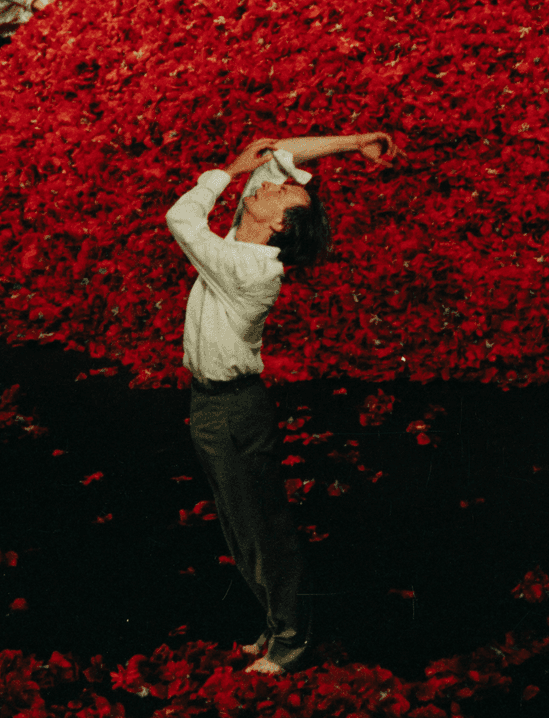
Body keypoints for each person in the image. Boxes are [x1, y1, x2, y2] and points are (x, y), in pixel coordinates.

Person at [165, 131, 397, 674]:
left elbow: (181, 218)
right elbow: (275, 148)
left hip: (234, 410)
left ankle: (291, 639)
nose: (268, 186)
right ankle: (274, 627)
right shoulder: (242, 240)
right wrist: (358, 140)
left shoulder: (250, 269)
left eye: (280, 195)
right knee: (237, 523)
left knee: (262, 527)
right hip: (209, 405)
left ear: (275, 224)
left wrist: (224, 172)